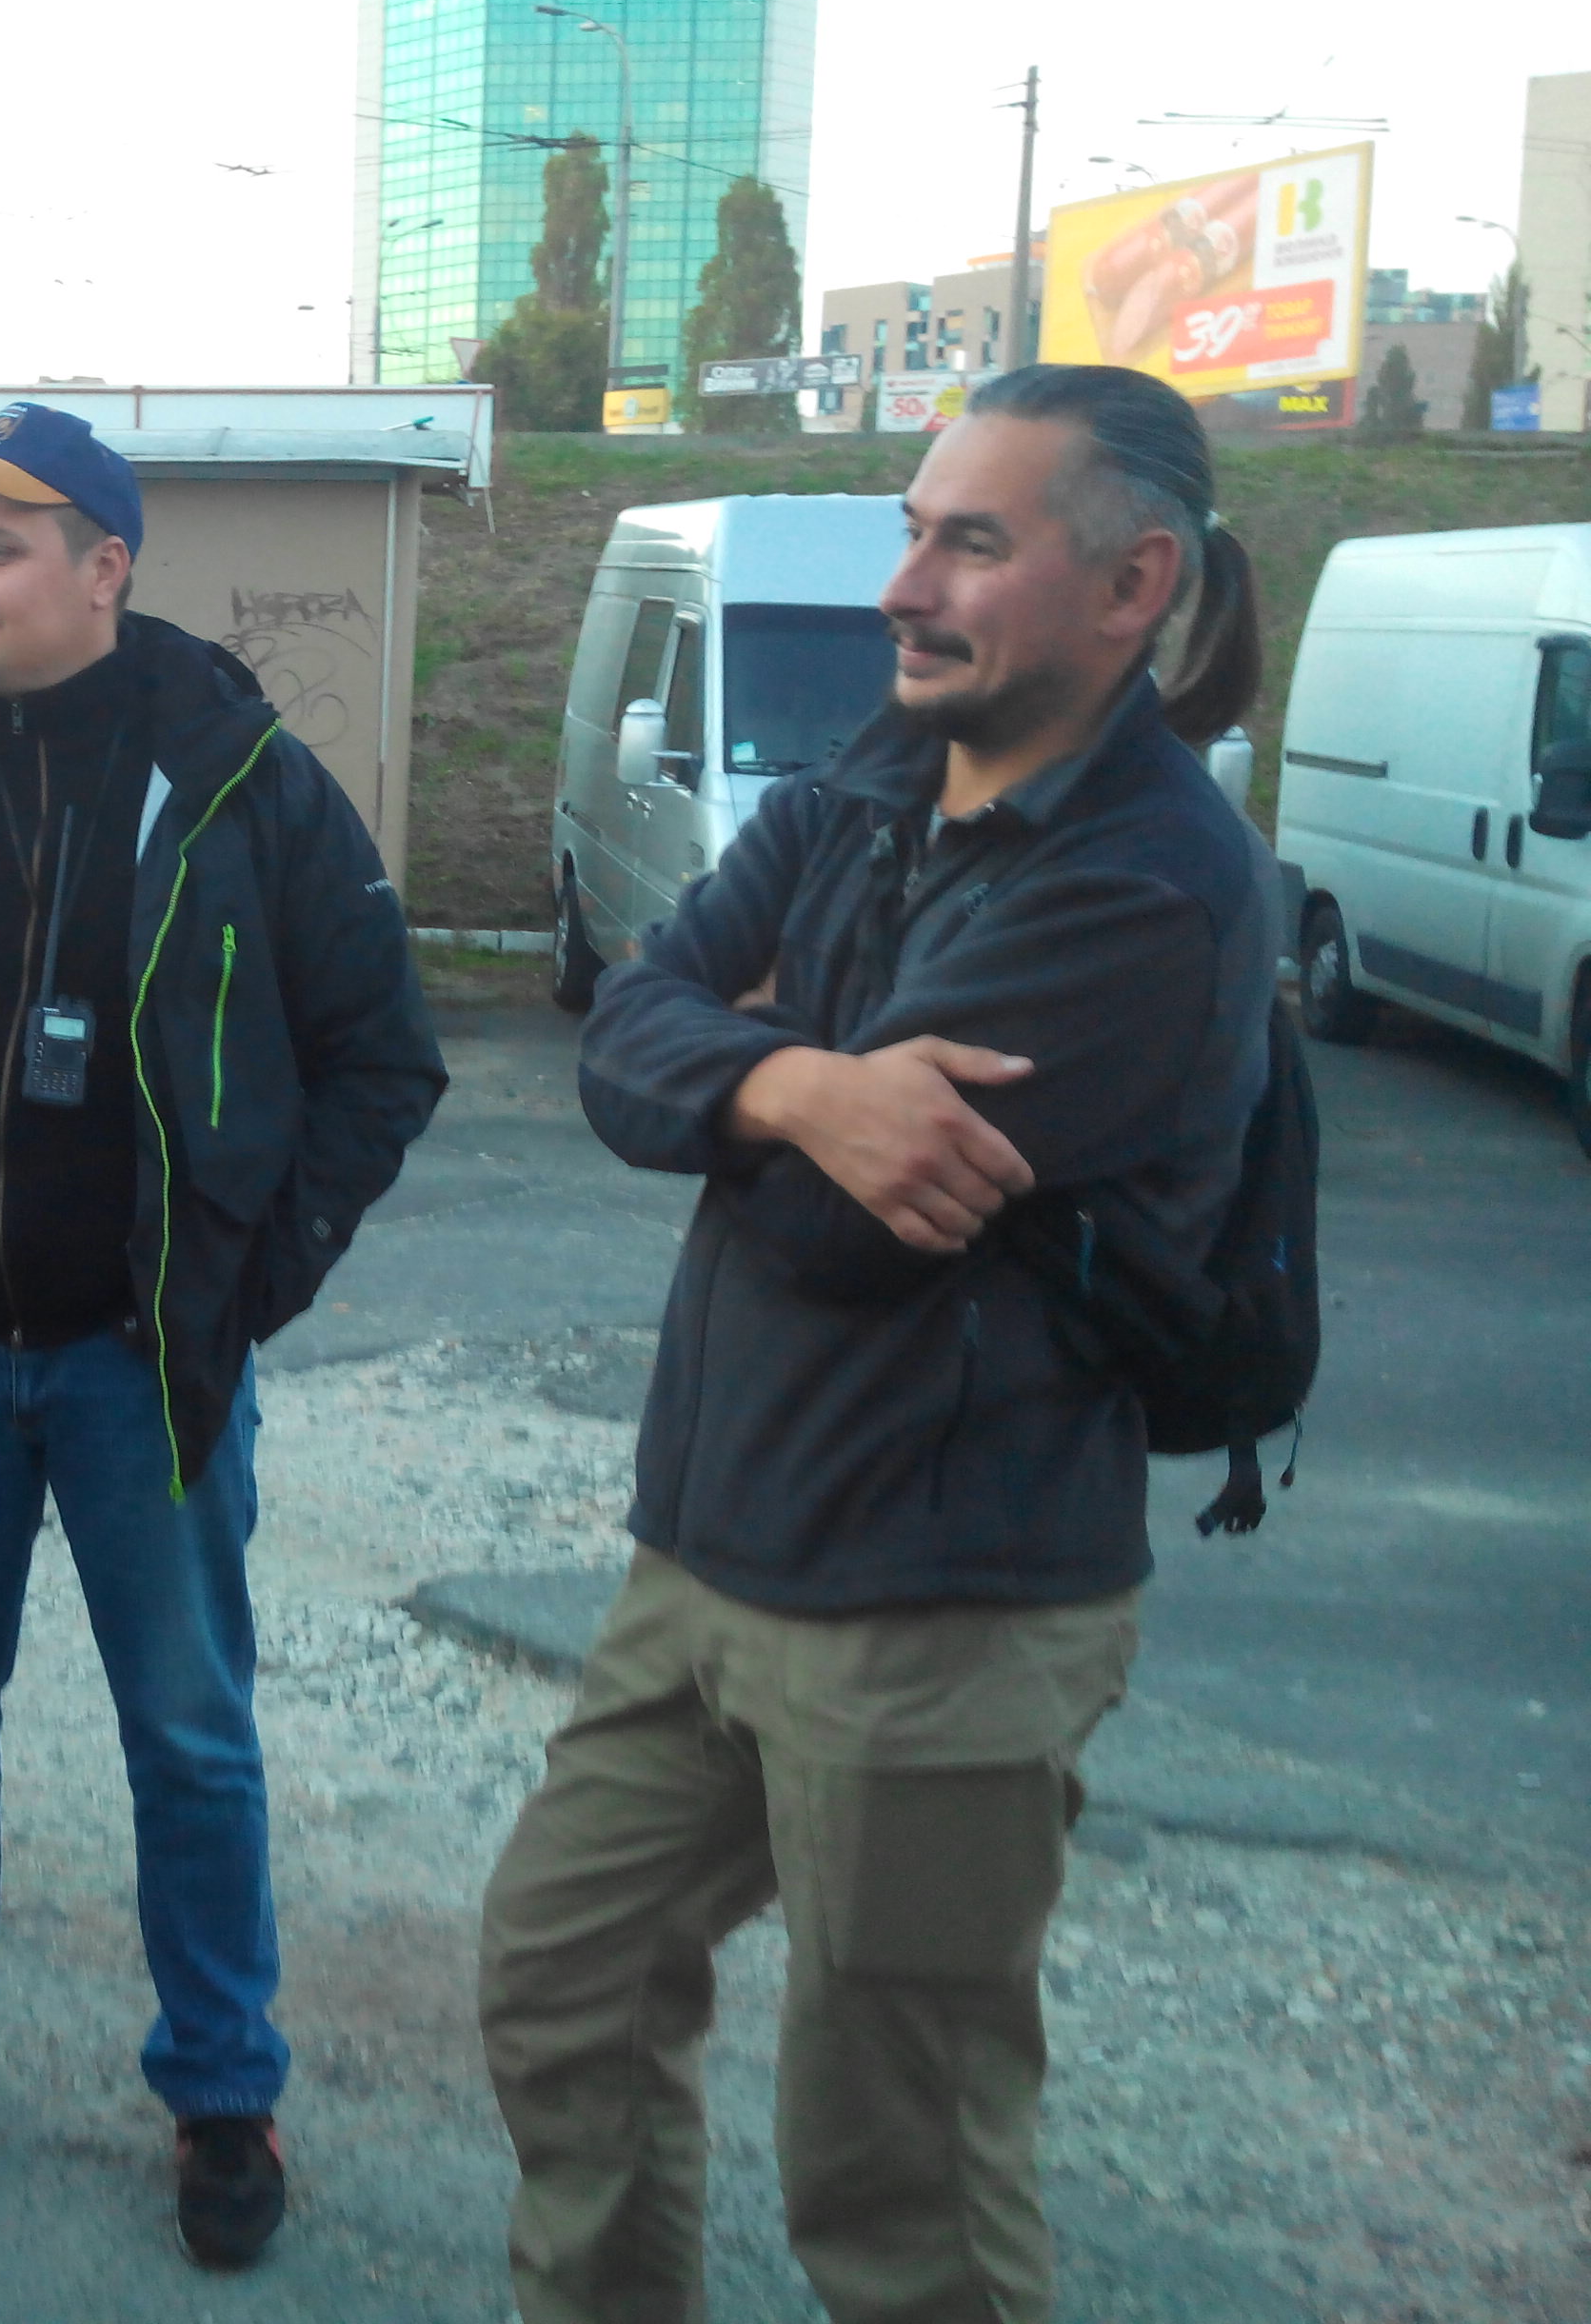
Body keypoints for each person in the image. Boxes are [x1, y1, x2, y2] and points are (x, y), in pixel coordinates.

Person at [477, 363, 1277, 2324]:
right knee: (565, 1980)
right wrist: (801, 1086)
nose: (903, 589)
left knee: (894, 2171)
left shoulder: (1149, 884)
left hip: (942, 1611)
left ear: (1133, 585)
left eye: (969, 545)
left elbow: (840, 1239)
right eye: (913, 532)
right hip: (713, 1547)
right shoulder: (879, 773)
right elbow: (624, 1033)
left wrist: (740, 1072)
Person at [0, 402, 446, 2269]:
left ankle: (222, 2088)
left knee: (190, 1739)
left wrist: (243, 1284)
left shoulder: (240, 778)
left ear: (106, 569)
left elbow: (383, 1053)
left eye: (0, 545)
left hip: (142, 1370)